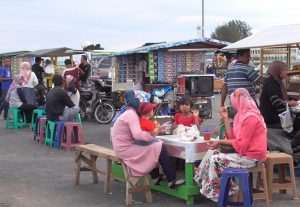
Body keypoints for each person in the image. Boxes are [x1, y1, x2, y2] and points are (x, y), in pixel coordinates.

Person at [194, 88, 267, 202]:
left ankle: (228, 191)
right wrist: (226, 118)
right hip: (244, 152)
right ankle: (204, 182)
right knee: (211, 152)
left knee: (215, 159)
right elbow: (232, 137)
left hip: (253, 156)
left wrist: (220, 142)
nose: (232, 104)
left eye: (233, 101)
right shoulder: (241, 115)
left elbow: (241, 144)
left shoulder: (251, 118)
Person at [112, 90, 185, 188]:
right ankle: (171, 179)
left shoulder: (129, 112)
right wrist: (153, 133)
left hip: (122, 147)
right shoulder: (131, 114)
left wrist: (152, 134)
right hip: (125, 149)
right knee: (160, 146)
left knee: (155, 145)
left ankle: (155, 177)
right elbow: (138, 135)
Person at [260, 61, 297, 129]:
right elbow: (276, 102)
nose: (286, 72)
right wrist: (289, 103)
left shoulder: (276, 81)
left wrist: (294, 100)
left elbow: (281, 96)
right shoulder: (271, 83)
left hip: (275, 115)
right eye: (284, 70)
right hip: (271, 118)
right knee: (297, 123)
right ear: (278, 71)